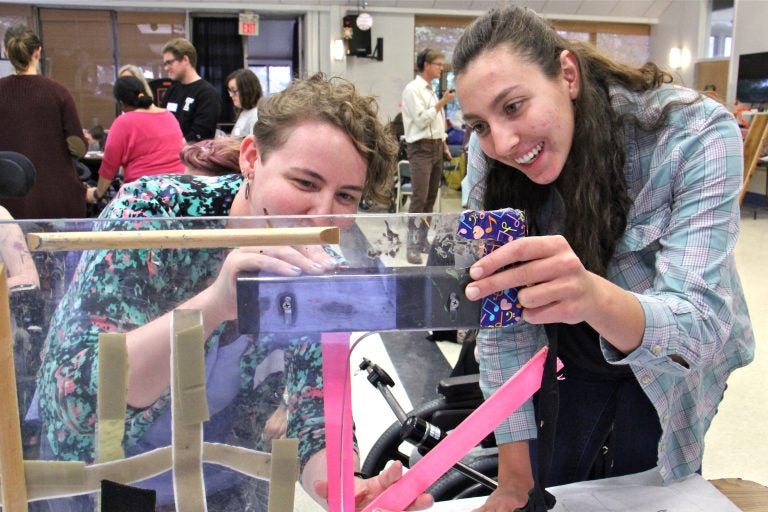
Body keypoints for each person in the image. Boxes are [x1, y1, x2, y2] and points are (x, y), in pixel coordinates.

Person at [35, 74, 431, 512]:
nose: (321, 216)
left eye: (345, 197)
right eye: (304, 183)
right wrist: (214, 306)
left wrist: (344, 487)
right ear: (250, 158)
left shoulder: (315, 263)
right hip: (105, 484)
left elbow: (315, 414)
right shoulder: (153, 215)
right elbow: (75, 404)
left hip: (227, 486)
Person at [452, 6, 755, 511]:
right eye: (479, 124)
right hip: (568, 345)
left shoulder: (693, 134)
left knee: (647, 489)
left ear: (567, 75)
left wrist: (592, 296)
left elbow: (699, 328)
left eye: (514, 107)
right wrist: (512, 480)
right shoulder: (493, 154)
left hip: (673, 359)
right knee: (556, 481)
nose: (502, 142)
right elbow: (503, 322)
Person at [0, 24, 88, 219]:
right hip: (56, 199)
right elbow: (78, 147)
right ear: (38, 52)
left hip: (8, 203)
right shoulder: (58, 92)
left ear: (7, 52)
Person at [86, 76, 185, 204]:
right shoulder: (169, 116)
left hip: (144, 199)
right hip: (178, 194)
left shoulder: (123, 122)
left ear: (121, 103)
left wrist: (97, 193)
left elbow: (109, 167)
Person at [400, 48, 455, 264]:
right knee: (419, 199)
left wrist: (444, 144)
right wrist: (443, 102)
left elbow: (436, 123)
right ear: (426, 65)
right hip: (420, 148)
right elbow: (422, 120)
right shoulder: (412, 90)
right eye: (439, 64)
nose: (442, 68)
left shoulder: (431, 90)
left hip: (435, 148)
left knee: (431, 199)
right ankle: (411, 247)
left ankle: (422, 241)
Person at [161, 37, 222, 143]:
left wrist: (172, 147)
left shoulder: (207, 93)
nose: (166, 68)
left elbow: (201, 134)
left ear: (185, 60)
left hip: (193, 156)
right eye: (165, 64)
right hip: (169, 154)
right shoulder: (172, 91)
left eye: (170, 62)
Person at [226, 68, 263, 137]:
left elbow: (253, 145)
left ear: (247, 90)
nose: (231, 95)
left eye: (234, 91)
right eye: (230, 91)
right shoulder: (244, 112)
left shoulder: (256, 115)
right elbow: (237, 137)